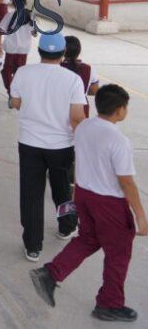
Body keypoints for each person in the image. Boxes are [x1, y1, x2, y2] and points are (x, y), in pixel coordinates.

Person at [30, 85, 147, 323]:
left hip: (84, 195)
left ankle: (50, 273)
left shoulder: (84, 127)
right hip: (109, 203)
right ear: (120, 110)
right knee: (118, 254)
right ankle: (109, 304)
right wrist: (140, 215)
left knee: (88, 239)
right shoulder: (118, 140)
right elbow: (126, 182)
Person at [9, 32, 87, 262]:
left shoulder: (24, 73)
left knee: (31, 193)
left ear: (39, 51)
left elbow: (15, 102)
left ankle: (33, 245)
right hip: (61, 145)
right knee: (62, 187)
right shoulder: (72, 79)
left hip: (30, 143)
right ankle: (66, 226)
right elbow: (77, 117)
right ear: (63, 54)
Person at [0, 0, 36, 98]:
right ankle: (17, 92)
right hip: (23, 50)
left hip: (11, 48)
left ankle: (11, 91)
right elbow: (34, 33)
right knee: (19, 73)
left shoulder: (9, 15)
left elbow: (1, 29)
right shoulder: (31, 16)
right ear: (26, 3)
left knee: (7, 71)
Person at [61, 36, 100, 117]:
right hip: (81, 108)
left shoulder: (56, 67)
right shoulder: (88, 68)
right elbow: (94, 90)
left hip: (60, 107)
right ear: (79, 51)